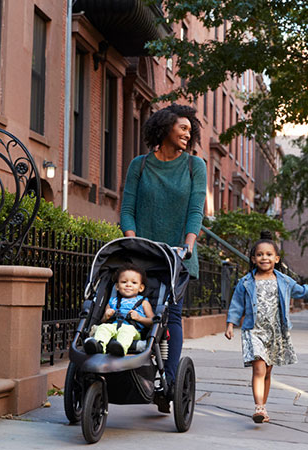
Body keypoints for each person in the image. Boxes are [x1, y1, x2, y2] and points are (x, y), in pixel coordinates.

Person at [120, 103, 207, 411]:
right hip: (142, 256)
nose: (188, 134)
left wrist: (188, 244)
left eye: (190, 130)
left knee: (171, 317)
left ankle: (168, 381)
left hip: (178, 256)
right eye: (183, 128)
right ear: (165, 127)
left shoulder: (195, 166)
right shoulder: (140, 165)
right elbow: (127, 209)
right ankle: (134, 370)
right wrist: (132, 241)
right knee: (133, 310)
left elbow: (196, 209)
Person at [224, 235, 308, 423]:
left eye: (269, 254)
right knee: (259, 369)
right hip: (254, 331)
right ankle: (258, 407)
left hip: (275, 333)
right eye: (260, 254)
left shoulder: (284, 281)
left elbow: (302, 291)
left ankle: (263, 408)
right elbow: (236, 304)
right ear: (253, 259)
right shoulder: (246, 282)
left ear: (276, 258)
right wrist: (230, 324)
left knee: (267, 372)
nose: (264, 258)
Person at [84, 264, 154, 357]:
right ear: (117, 286)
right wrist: (106, 316)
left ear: (141, 288)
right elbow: (103, 321)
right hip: (113, 327)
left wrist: (139, 318)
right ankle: (98, 346)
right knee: (103, 327)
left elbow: (152, 321)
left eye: (134, 283)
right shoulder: (112, 301)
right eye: (124, 282)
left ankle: (120, 349)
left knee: (126, 330)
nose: (128, 285)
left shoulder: (143, 302)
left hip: (133, 330)